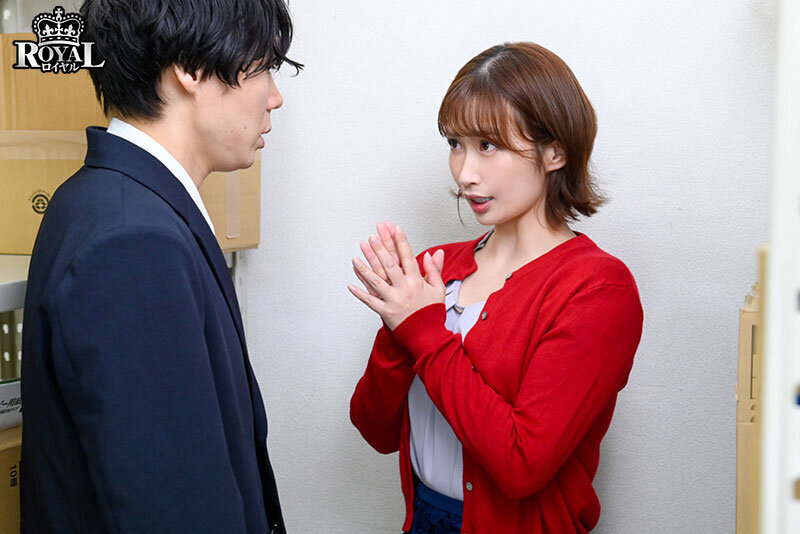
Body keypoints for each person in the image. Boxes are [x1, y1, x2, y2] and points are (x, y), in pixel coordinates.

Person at [20, 1, 301, 532]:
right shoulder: (132, 241)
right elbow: (173, 507)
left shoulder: (106, 199)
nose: (275, 97)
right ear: (190, 69)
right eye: (264, 67)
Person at [348, 42, 643, 534]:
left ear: (555, 151)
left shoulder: (597, 289)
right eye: (455, 143)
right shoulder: (435, 269)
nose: (465, 173)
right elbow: (375, 429)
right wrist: (397, 326)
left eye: (488, 145)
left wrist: (423, 331)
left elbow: (521, 464)